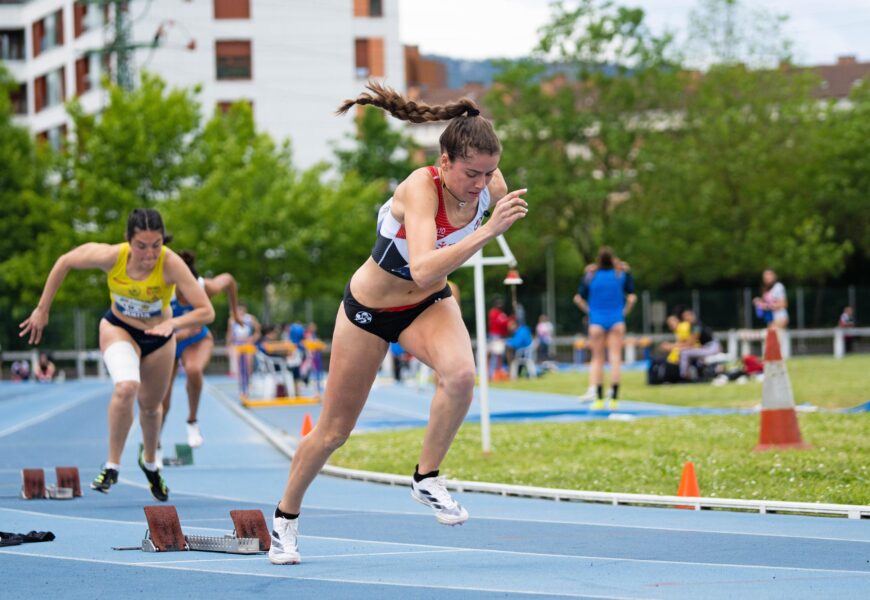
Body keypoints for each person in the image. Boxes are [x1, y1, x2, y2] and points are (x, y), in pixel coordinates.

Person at [267, 82, 528, 565]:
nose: (481, 182)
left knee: (462, 376)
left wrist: (491, 213)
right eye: (471, 172)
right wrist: (491, 230)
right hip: (368, 312)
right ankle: (285, 518)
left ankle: (426, 476)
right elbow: (424, 264)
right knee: (333, 432)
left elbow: (433, 279)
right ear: (445, 161)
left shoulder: (491, 186)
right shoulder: (419, 187)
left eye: (489, 172)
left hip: (427, 305)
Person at [19, 208, 214, 502]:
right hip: (118, 328)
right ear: (128, 240)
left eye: (156, 245)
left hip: (159, 337)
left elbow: (206, 311)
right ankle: (112, 464)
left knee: (151, 407)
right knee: (126, 387)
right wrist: (42, 308)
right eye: (141, 246)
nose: (149, 255)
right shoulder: (112, 256)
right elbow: (65, 262)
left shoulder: (170, 263)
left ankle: (149, 463)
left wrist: (171, 323)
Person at [160, 251, 242, 450]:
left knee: (194, 370)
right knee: (163, 400)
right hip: (167, 342)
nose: (188, 298)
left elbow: (229, 280)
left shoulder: (206, 287)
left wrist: (234, 312)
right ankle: (155, 442)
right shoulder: (163, 290)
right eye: (183, 294)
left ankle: (192, 420)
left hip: (197, 340)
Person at [573, 247, 637, 409]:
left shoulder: (591, 276)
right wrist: (624, 313)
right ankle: (614, 398)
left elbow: (579, 298)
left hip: (596, 321)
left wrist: (590, 311)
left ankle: (599, 399)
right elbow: (631, 297)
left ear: (598, 260)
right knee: (615, 358)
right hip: (617, 320)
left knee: (597, 359)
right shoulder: (620, 274)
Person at [676, 307, 720, 380]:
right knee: (685, 352)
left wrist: (678, 347)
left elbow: (691, 342)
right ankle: (694, 375)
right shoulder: (694, 325)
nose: (686, 318)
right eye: (684, 317)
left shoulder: (696, 325)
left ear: (692, 315)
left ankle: (683, 376)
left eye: (687, 316)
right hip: (708, 347)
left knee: (684, 353)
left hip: (711, 347)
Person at [487, 296, 510, 377]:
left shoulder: (500, 313)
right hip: (495, 336)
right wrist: (509, 320)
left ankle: (498, 372)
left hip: (500, 336)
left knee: (499, 355)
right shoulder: (494, 313)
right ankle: (492, 373)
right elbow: (502, 322)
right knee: (495, 354)